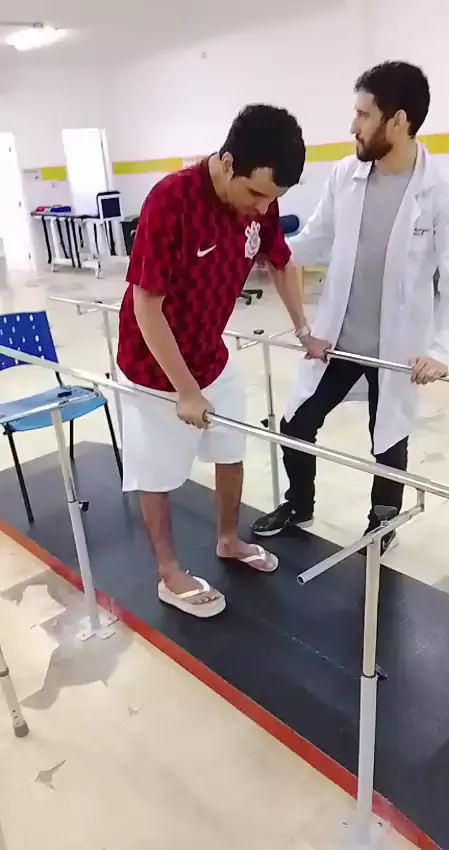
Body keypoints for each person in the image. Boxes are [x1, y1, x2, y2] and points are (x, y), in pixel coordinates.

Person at [252, 61, 449, 551]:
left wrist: (442, 351)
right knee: (296, 422)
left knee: (388, 436)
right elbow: (314, 240)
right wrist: (264, 247)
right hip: (340, 338)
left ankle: (382, 520)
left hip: (397, 348)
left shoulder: (446, 191)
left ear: (398, 120)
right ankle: (299, 503)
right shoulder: (346, 175)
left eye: (363, 114)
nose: (352, 125)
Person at [116, 104, 322, 618]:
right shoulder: (171, 200)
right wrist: (185, 390)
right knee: (157, 472)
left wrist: (305, 331)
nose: (262, 208)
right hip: (154, 365)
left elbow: (281, 262)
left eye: (271, 198)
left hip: (212, 353)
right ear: (228, 163)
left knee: (232, 448)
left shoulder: (260, 199)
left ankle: (228, 540)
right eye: (255, 194)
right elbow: (146, 304)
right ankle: (169, 573)